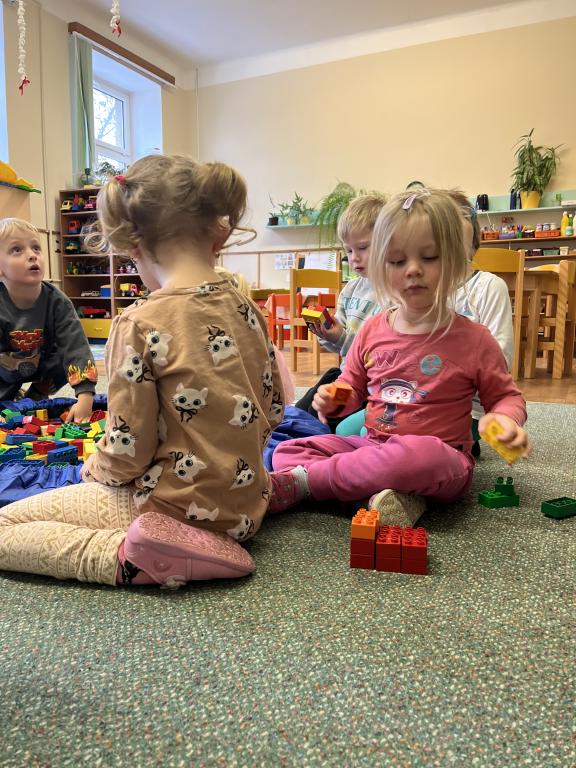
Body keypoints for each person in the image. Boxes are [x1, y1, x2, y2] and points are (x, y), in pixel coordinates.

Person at [0, 155, 284, 589]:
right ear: (216, 231)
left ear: (133, 245)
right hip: (245, 506)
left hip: (169, 510)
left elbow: (127, 453)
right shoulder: (246, 305)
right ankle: (176, 542)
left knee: (5, 526)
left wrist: (94, 468)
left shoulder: (139, 322)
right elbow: (275, 407)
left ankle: (128, 559)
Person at [267, 188, 531, 527]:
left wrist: (506, 420)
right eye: (397, 261)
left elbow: (506, 396)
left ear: (456, 262)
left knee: (423, 456)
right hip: (371, 447)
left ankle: (308, 483)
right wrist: (335, 400)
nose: (413, 270)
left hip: (442, 459)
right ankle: (383, 496)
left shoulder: (475, 339)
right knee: (288, 450)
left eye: (430, 257)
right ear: (380, 266)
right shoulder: (372, 330)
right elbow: (352, 388)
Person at [294, 194, 388, 428]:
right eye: (349, 250)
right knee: (305, 408)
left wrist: (342, 338)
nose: (354, 258)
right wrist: (327, 335)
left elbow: (382, 356)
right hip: (346, 379)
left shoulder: (396, 293)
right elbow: (339, 343)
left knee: (328, 421)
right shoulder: (351, 289)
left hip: (373, 388)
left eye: (363, 248)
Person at [0, 217, 96, 423]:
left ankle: (37, 393)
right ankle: (10, 395)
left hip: (44, 364)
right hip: (5, 368)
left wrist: (85, 395)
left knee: (67, 354)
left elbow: (76, 346)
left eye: (36, 248)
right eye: (17, 250)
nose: (32, 255)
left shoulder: (57, 301)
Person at [448, 189, 514, 457]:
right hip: (416, 401)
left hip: (469, 407)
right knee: (351, 430)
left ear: (472, 242)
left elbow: (501, 360)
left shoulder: (489, 287)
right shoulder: (421, 290)